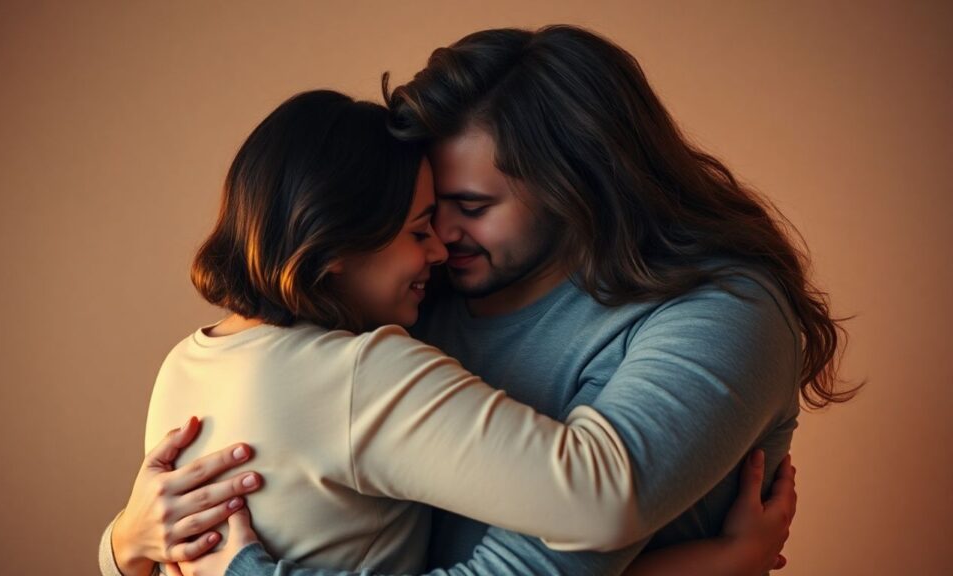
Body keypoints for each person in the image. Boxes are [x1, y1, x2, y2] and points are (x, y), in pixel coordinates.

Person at [100, 87, 796, 576]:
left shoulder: (189, 361)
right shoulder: (375, 355)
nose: (440, 246)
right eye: (421, 226)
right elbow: (598, 504)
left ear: (574, 188)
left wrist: (123, 550)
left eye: (467, 208)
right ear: (337, 246)